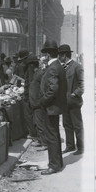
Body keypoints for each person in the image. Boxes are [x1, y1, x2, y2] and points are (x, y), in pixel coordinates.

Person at [39, 39, 67, 175]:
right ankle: (58, 162)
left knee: (51, 136)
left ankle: (53, 165)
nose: (43, 57)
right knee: (54, 134)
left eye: (44, 54)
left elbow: (53, 89)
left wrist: (43, 101)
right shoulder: (58, 66)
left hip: (50, 107)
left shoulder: (53, 67)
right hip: (55, 107)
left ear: (48, 55)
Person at [59, 44, 84, 155]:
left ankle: (81, 147)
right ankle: (70, 146)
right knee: (67, 124)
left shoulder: (77, 67)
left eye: (60, 55)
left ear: (64, 55)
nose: (59, 57)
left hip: (73, 102)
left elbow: (83, 83)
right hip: (64, 102)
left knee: (77, 125)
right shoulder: (62, 67)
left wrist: (75, 94)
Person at [28, 54, 47, 149]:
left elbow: (43, 89)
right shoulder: (37, 73)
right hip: (35, 103)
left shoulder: (40, 73)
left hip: (38, 103)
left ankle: (44, 143)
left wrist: (39, 100)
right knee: (37, 122)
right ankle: (40, 140)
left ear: (31, 65)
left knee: (40, 123)